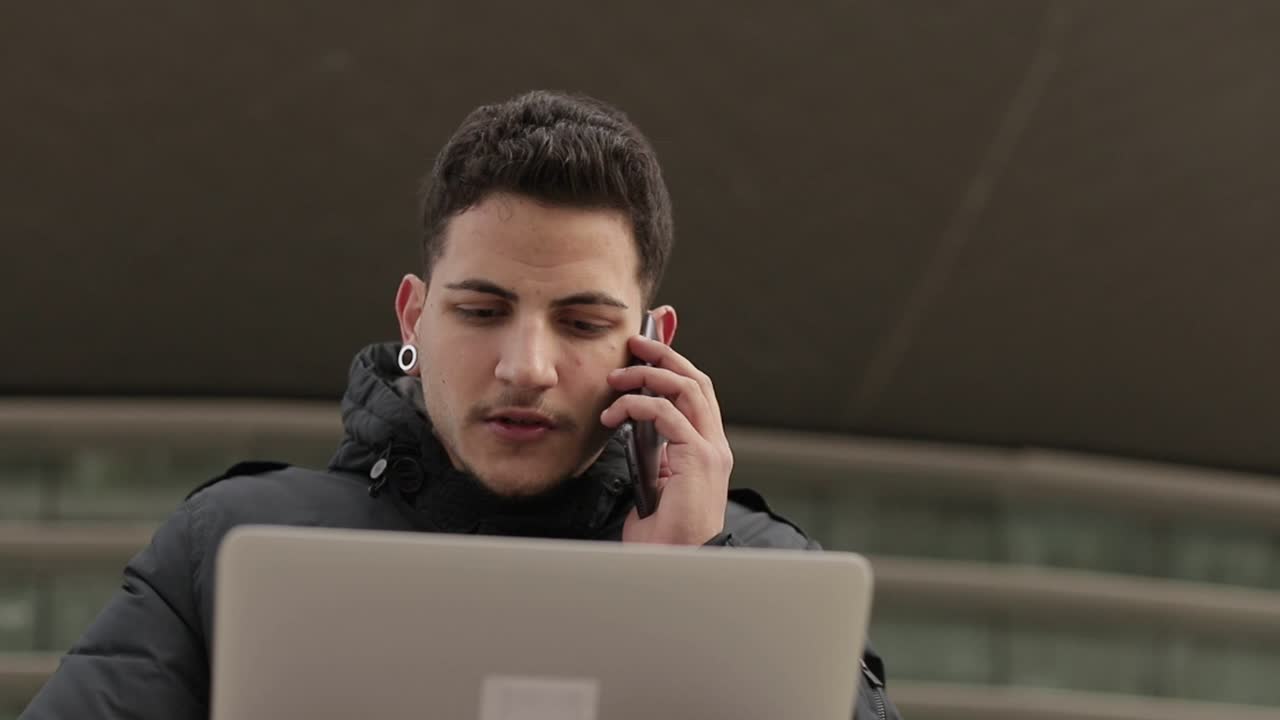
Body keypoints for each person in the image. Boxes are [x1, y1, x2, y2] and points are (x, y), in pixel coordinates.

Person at [20, 90, 902, 720]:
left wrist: (695, 597)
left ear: (653, 340)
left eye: (583, 321)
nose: (526, 367)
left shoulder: (769, 581)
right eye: (481, 312)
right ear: (414, 315)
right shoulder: (226, 545)